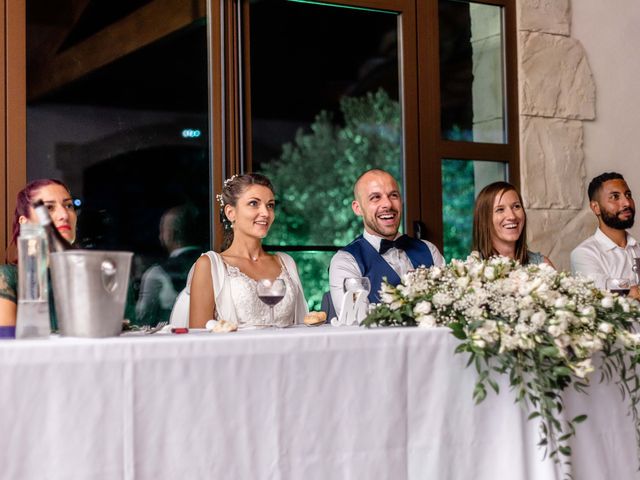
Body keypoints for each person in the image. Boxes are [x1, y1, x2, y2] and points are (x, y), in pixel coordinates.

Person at [187, 173, 308, 328]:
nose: (265, 213)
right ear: (231, 213)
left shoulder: (286, 263)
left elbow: (301, 327)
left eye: (270, 205)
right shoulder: (210, 265)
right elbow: (198, 338)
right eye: (253, 203)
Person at [329, 169, 445, 316]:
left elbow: (447, 306)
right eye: (375, 197)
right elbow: (356, 321)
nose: (388, 204)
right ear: (358, 208)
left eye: (393, 195)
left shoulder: (429, 249)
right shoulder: (346, 261)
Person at [0, 179, 77, 328]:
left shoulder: (88, 277)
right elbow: (7, 349)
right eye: (48, 208)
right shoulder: (6, 280)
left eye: (69, 206)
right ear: (25, 222)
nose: (64, 215)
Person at [570, 172, 640, 299]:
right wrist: (632, 289)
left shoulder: (637, 248)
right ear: (595, 207)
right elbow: (600, 291)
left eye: (628, 195)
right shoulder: (584, 254)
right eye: (615, 197)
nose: (627, 203)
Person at [136, 204, 204, 324]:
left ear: (171, 234)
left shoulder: (156, 274)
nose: (160, 236)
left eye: (162, 230)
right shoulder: (216, 265)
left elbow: (143, 319)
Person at [472, 181, 554, 267]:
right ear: (484, 219)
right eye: (500, 209)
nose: (512, 216)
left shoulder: (543, 266)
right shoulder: (471, 270)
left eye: (516, 206)